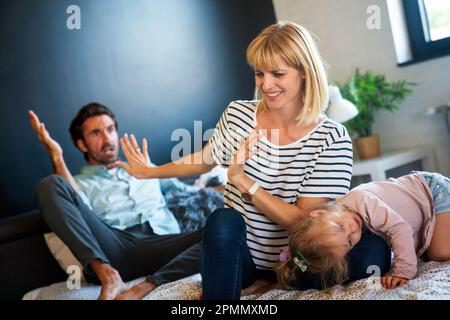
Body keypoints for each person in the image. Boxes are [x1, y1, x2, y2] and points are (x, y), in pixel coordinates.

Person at [117, 21, 390, 299]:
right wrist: (150, 172)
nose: (266, 84)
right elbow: (206, 158)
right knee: (222, 220)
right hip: (245, 260)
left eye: (278, 73)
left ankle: (277, 283)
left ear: (304, 73)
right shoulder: (239, 114)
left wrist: (242, 181)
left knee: (374, 252)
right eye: (260, 73)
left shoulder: (331, 137)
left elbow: (305, 221)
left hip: (300, 262)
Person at [29, 103, 206, 300]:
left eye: (110, 130)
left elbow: (194, 190)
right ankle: (109, 277)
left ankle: (146, 286)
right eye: (96, 133)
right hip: (116, 248)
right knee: (49, 184)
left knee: (225, 228)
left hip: (163, 245)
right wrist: (57, 156)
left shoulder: (146, 169)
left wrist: (237, 186)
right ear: (82, 144)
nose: (107, 139)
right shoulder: (80, 183)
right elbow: (74, 207)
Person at [276, 171, 450, 290]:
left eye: (340, 226)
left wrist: (403, 272)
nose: (353, 229)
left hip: (432, 192)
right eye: (350, 241)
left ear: (320, 212)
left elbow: (399, 228)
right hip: (426, 213)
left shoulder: (362, 201)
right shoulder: (346, 219)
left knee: (441, 253)